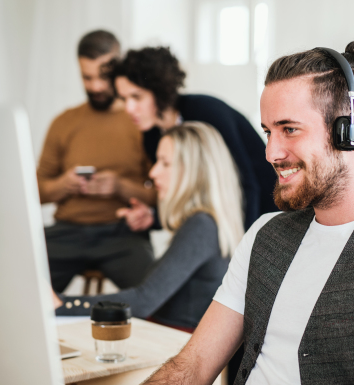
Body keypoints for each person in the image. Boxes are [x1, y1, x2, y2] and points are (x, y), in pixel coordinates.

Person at [139, 41, 354, 385]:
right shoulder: (265, 234)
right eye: (268, 132)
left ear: (350, 132)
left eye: (289, 129)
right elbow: (192, 366)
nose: (271, 153)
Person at [54, 122, 245, 332]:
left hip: (172, 345)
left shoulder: (201, 225)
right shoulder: (204, 223)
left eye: (164, 163)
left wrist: (62, 304)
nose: (153, 173)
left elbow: (144, 300)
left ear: (192, 171)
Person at [37, 30, 156, 292]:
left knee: (156, 294)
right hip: (66, 232)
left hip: (121, 233)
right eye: (87, 77)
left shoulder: (139, 121)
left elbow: (161, 193)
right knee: (20, 281)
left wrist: (119, 186)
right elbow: (35, 192)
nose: (96, 86)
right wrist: (64, 185)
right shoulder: (63, 123)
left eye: (103, 76)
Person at [112, 46, 277, 230]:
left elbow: (249, 185)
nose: (128, 108)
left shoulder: (206, 112)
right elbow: (182, 197)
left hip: (268, 211)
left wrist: (248, 246)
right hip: (218, 224)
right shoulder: (151, 136)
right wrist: (152, 217)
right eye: (124, 99)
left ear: (159, 90)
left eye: (136, 97)